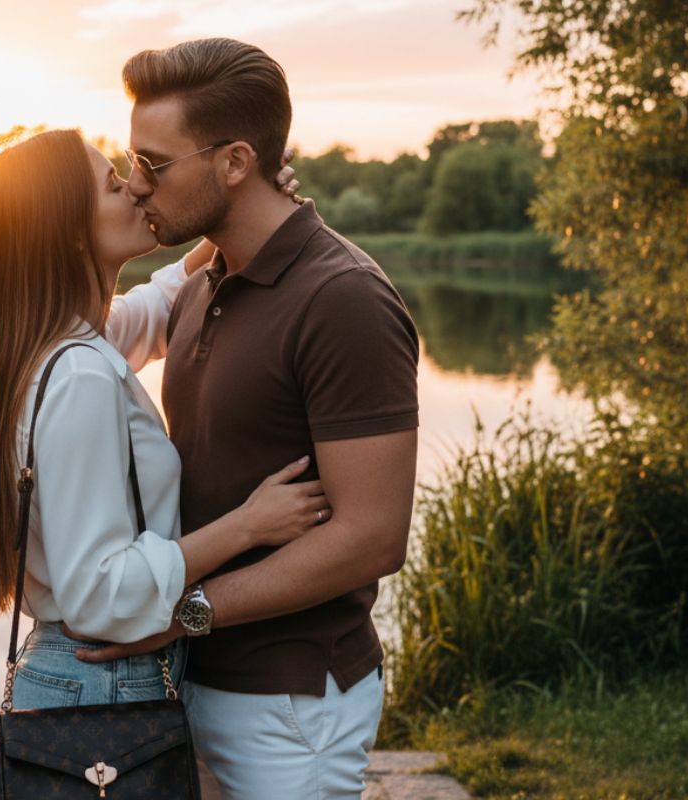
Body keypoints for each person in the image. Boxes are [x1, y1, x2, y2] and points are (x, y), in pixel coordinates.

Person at [73, 38, 421, 799]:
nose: (136, 186)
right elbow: (78, 342)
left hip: (289, 706)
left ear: (234, 161)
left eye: (153, 165)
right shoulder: (204, 283)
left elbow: (372, 536)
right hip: (192, 680)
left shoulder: (345, 300)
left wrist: (182, 613)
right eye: (132, 164)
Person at [0, 128, 325, 711]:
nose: (138, 190)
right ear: (70, 233)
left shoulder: (48, 347)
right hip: (102, 681)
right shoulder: (80, 376)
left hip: (80, 676)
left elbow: (158, 302)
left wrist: (236, 208)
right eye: (114, 185)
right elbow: (100, 592)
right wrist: (249, 525)